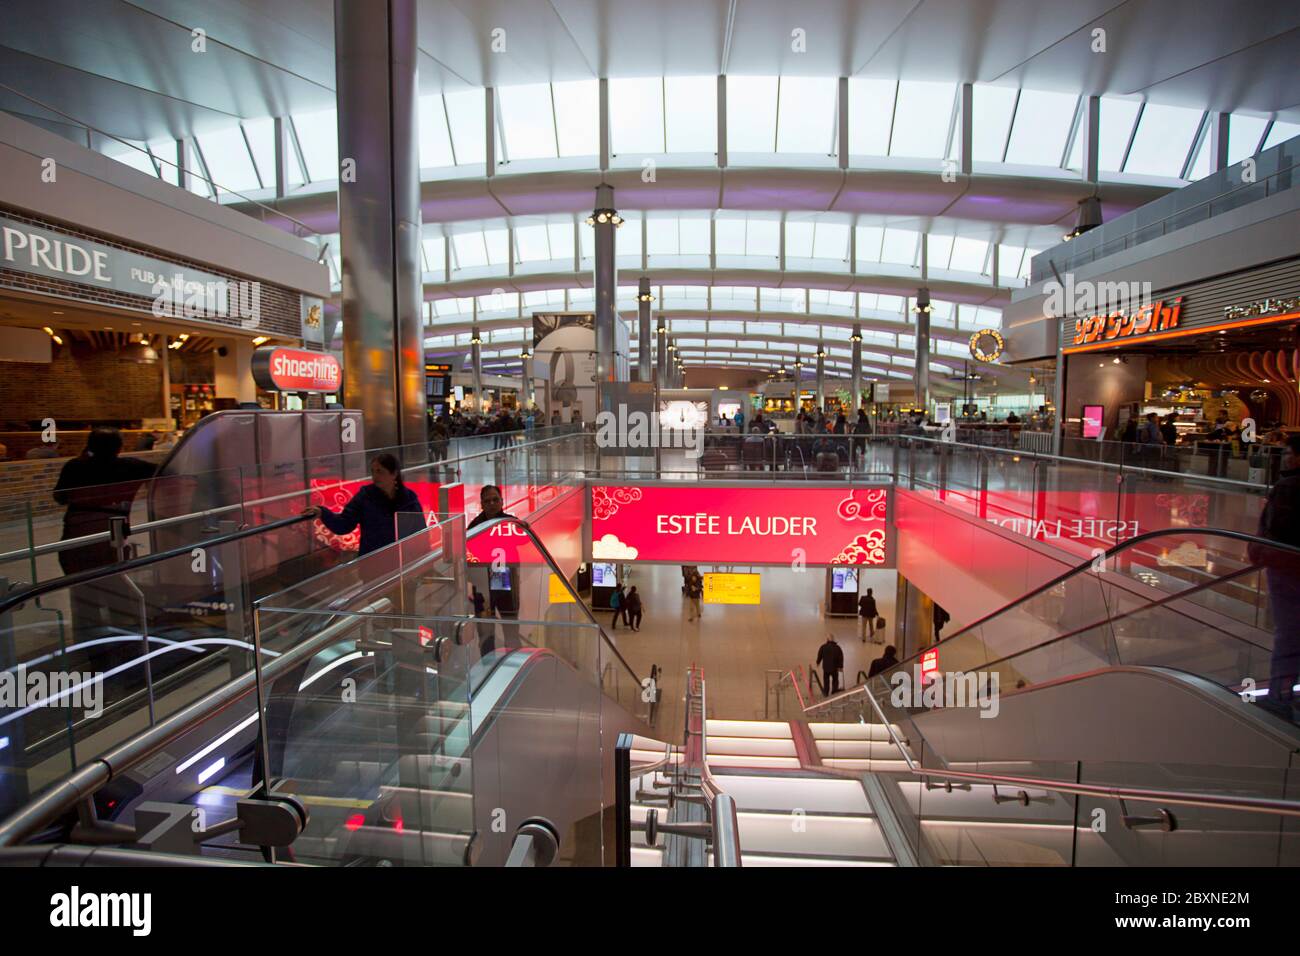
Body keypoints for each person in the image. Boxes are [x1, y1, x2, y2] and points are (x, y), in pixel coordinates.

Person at [53, 427, 158, 656]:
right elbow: (166, 472)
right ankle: (125, 641)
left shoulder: (75, 466)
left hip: (75, 538)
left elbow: (60, 497)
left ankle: (91, 648)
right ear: (119, 447)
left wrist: (84, 457)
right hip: (113, 538)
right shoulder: (131, 466)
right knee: (116, 587)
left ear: (89, 446)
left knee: (83, 592)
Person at [1253, 434, 1300, 719]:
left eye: (1288, 453)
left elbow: (1278, 527)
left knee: (1288, 631)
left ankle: (1279, 697)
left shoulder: (1289, 487)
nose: (1284, 458)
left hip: (1287, 568)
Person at [311, 453, 425, 556]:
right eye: (373, 471)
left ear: (394, 474)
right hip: (373, 561)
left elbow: (421, 533)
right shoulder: (365, 496)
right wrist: (322, 512)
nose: (375, 476)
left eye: (380, 471)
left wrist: (424, 562)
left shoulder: (409, 499)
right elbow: (344, 524)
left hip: (403, 561)